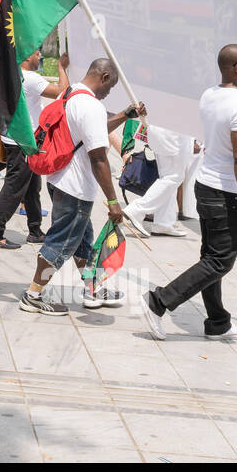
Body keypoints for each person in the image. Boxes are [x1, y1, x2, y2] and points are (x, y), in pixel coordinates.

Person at [140, 44, 237, 342]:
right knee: (219, 261)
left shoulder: (210, 94)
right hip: (226, 192)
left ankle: (218, 322)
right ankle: (159, 301)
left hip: (207, 186)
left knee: (211, 256)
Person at [20, 59, 144, 316]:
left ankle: (93, 286)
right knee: (59, 244)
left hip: (59, 180)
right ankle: (33, 294)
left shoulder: (71, 94)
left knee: (83, 243)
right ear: (105, 77)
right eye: (111, 87)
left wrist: (124, 115)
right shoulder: (92, 106)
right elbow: (98, 157)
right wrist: (113, 202)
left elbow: (92, 132)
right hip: (75, 189)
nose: (109, 92)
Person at [0, 49, 69, 248]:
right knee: (14, 187)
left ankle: (35, 230)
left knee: (32, 187)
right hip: (24, 141)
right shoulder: (31, 78)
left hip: (14, 137)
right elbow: (62, 93)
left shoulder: (10, 75)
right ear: (28, 57)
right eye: (38, 54)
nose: (40, 58)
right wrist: (62, 67)